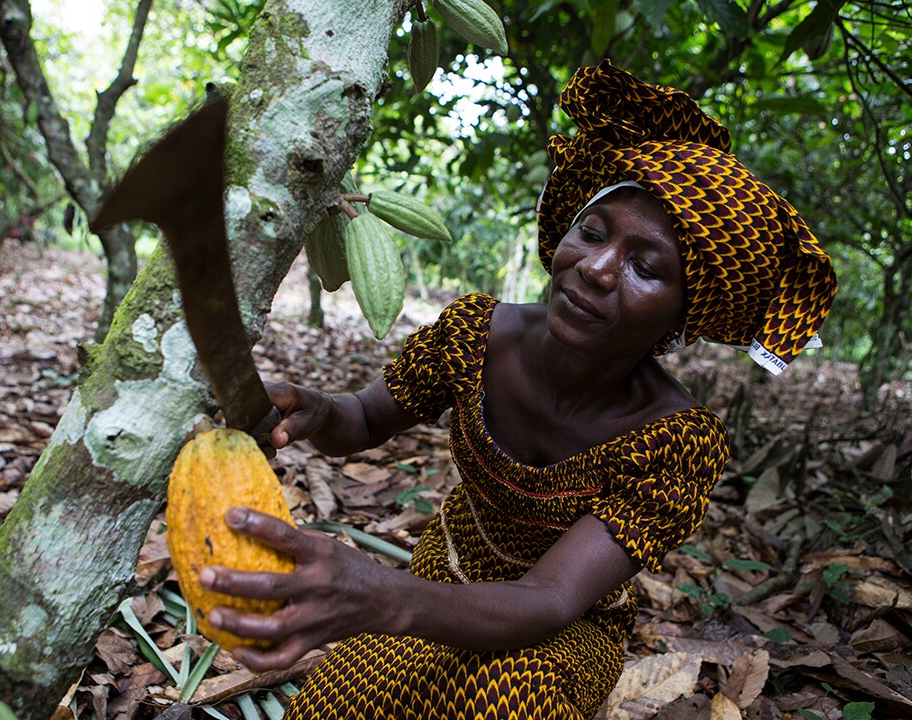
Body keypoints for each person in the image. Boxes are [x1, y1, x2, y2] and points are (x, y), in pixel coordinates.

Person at [195, 61, 838, 719]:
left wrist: (383, 596)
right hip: (439, 577)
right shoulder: (477, 333)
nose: (597, 268)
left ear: (685, 317)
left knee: (509, 699)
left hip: (561, 634)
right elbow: (363, 420)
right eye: (592, 232)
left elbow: (551, 599)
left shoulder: (675, 441)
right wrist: (314, 409)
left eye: (647, 268)